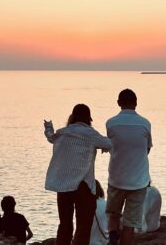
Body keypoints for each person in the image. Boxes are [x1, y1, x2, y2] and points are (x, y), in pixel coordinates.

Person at [45, 104, 114, 245]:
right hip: (83, 186)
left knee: (65, 224)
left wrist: (48, 128)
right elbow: (109, 144)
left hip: (63, 184)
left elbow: (51, 137)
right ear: (89, 119)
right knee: (83, 225)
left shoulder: (63, 132)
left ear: (73, 117)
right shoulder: (90, 133)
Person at [106, 89, 152, 245]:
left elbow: (111, 145)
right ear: (136, 103)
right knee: (130, 224)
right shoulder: (145, 123)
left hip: (116, 179)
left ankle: (112, 239)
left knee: (113, 214)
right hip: (139, 181)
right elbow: (147, 149)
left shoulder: (110, 123)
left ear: (118, 103)